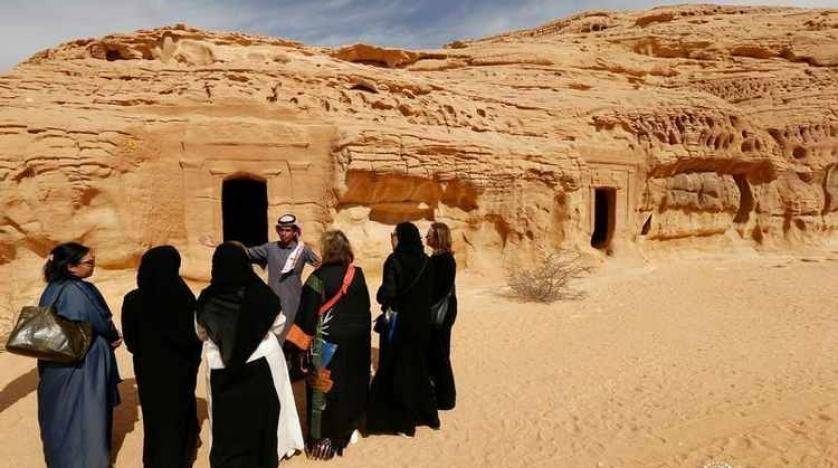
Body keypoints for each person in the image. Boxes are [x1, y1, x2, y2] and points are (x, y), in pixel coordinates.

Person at [196, 242, 304, 468]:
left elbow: (201, 332)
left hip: (220, 365)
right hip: (262, 358)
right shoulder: (259, 291)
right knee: (267, 412)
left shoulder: (207, 298)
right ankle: (278, 448)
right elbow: (279, 323)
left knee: (227, 420)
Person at [286, 230, 371, 460]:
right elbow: (365, 311)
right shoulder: (358, 274)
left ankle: (323, 438)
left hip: (326, 346)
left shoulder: (317, 278)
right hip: (354, 345)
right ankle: (348, 428)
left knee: (323, 388)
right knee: (348, 385)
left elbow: (306, 316)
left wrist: (293, 349)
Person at [37, 242, 122, 468]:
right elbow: (96, 320)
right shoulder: (77, 290)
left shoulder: (52, 288)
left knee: (59, 412)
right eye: (89, 263)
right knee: (87, 411)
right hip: (83, 362)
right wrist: (113, 335)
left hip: (55, 361)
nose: (92, 266)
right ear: (72, 267)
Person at [122, 246, 202, 468]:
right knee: (180, 410)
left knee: (155, 417)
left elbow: (130, 341)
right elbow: (195, 338)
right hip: (180, 370)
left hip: (149, 371)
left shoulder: (133, 300)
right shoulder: (184, 298)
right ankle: (182, 454)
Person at [366, 222, 439, 437]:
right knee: (417, 368)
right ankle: (424, 415)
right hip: (420, 323)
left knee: (395, 370)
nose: (392, 238)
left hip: (399, 326)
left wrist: (382, 295)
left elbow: (388, 293)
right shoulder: (426, 261)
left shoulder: (394, 260)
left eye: (393, 235)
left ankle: (401, 421)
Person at [244, 214, 320, 340]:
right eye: (281, 230)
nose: (283, 233)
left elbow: (320, 267)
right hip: (273, 302)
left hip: (294, 303)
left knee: (291, 339)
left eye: (288, 230)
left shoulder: (302, 250)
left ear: (295, 231)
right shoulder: (269, 248)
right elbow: (246, 253)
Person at [425, 222, 458, 410]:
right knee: (438, 354)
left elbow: (438, 290)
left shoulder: (443, 260)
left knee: (440, 356)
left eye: (430, 234)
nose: (426, 237)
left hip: (440, 314)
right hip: (443, 312)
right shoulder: (439, 258)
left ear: (438, 237)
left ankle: (446, 399)